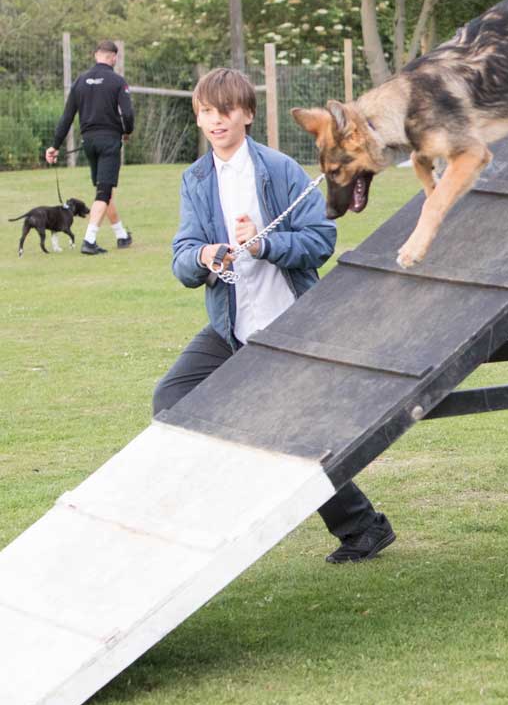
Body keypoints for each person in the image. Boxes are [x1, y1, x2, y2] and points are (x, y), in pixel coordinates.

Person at [154, 67, 395, 564]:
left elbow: (320, 240)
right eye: (205, 112)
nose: (214, 121)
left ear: (246, 114)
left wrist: (262, 243)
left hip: (289, 321)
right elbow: (182, 253)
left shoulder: (280, 169)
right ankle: (233, 496)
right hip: (230, 325)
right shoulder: (194, 178)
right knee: (172, 397)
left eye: (224, 112)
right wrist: (203, 257)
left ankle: (364, 527)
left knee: (293, 434)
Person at [45, 40, 134, 254]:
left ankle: (121, 235)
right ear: (114, 57)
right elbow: (128, 113)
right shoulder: (117, 81)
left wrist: (55, 146)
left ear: (96, 55)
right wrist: (127, 131)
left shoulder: (80, 81)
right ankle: (89, 241)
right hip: (109, 141)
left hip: (89, 142)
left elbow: (67, 117)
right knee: (103, 192)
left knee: (103, 188)